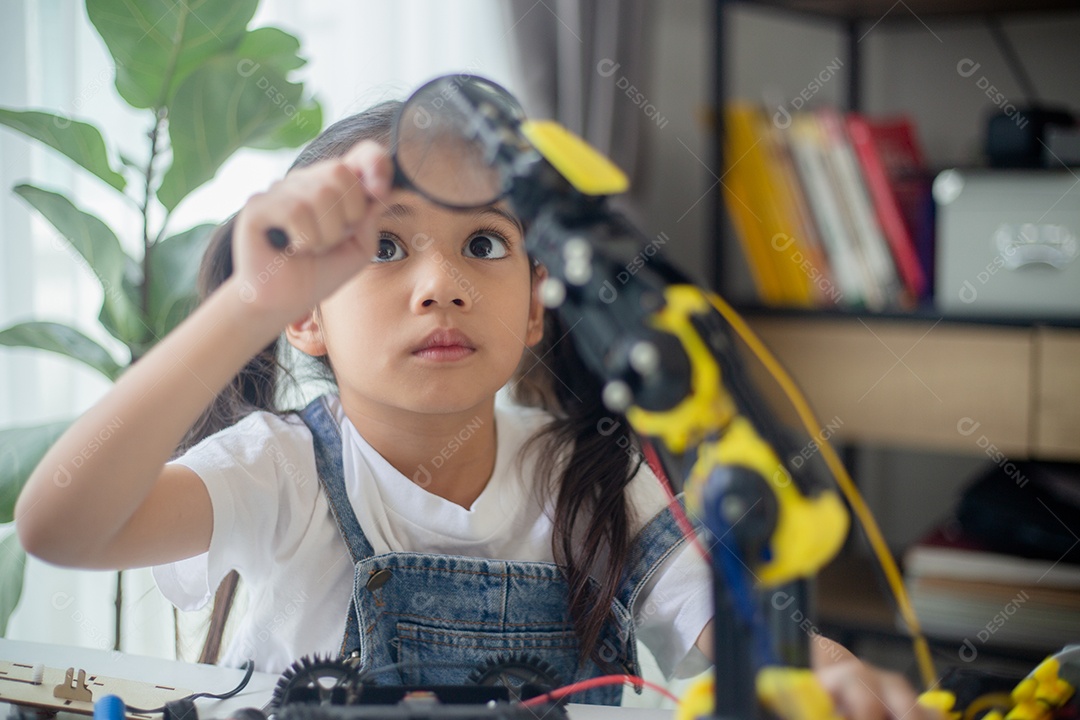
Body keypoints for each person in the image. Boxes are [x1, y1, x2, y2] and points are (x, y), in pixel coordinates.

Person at [16, 98, 938, 716]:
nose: (441, 285)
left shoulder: (592, 475)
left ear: (536, 304)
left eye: (485, 244)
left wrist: (843, 678)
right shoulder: (276, 469)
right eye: (384, 249)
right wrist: (244, 304)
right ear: (306, 318)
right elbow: (59, 526)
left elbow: (730, 623)